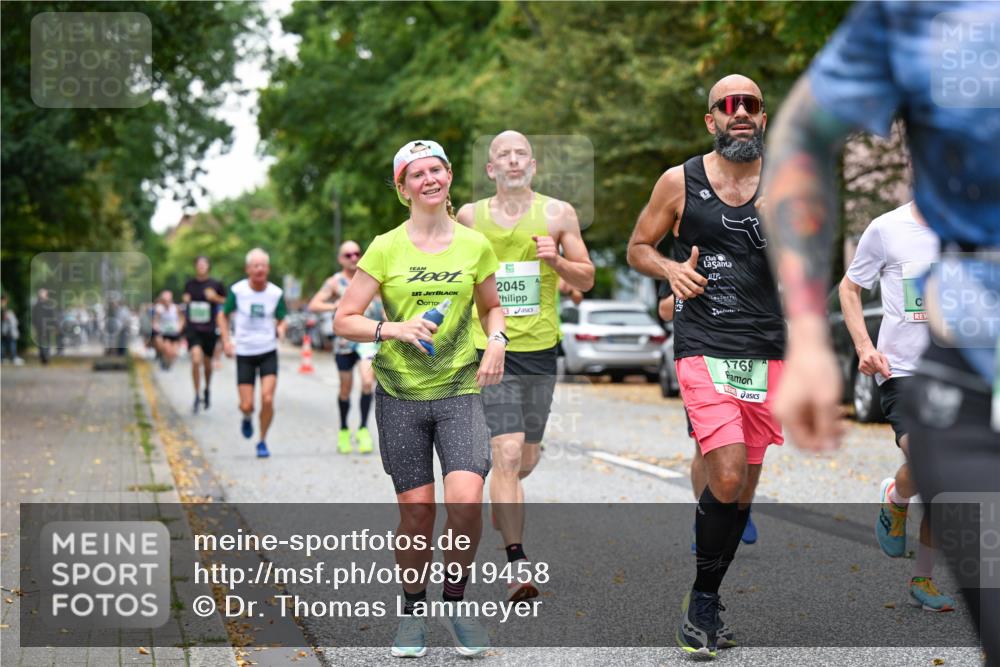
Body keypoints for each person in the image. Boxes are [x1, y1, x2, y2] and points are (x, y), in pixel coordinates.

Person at [761, 3, 999, 663]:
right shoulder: (915, 14)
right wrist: (814, 335)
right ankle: (912, 531)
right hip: (941, 370)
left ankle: (915, 541)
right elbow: (802, 137)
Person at [627, 74, 785, 658]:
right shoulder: (680, 181)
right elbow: (638, 247)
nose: (739, 112)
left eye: (750, 104)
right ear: (711, 119)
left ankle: (709, 591)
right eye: (728, 104)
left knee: (741, 488)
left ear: (762, 117)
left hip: (766, 347)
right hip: (702, 341)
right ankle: (701, 602)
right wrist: (670, 270)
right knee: (726, 475)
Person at [334, 140, 505, 658]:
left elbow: (492, 307)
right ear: (402, 187)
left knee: (466, 503)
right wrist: (392, 328)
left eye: (436, 170)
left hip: (459, 388)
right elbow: (344, 319)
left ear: (448, 176)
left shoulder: (475, 245)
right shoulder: (385, 247)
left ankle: (455, 602)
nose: (428, 179)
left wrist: (497, 339)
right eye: (416, 174)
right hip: (400, 393)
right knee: (417, 515)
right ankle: (412, 612)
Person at [456, 130, 594, 602]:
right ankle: (517, 563)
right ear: (491, 168)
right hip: (489, 347)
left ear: (532, 166)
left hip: (539, 350)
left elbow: (587, 277)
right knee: (508, 453)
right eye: (503, 155)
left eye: (521, 154)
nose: (513, 160)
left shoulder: (559, 214)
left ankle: (506, 488)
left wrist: (557, 261)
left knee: (524, 459)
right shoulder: (469, 217)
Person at [839, 201, 955, 611]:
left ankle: (922, 576)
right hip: (901, 372)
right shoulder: (887, 229)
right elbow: (849, 289)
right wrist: (864, 347)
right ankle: (898, 496)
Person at [657, 287, 758, 553]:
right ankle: (706, 518)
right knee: (705, 446)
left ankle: (740, 505)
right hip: (700, 361)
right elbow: (664, 310)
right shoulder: (683, 263)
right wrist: (687, 288)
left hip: (749, 360)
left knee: (749, 442)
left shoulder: (753, 260)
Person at [309, 241, 385, 454]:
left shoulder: (371, 277)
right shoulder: (335, 282)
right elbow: (314, 304)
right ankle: (343, 429)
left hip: (369, 340)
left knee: (367, 382)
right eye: (348, 255)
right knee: (345, 388)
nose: (353, 258)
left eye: (356, 253)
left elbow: (383, 304)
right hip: (344, 342)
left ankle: (363, 429)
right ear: (340, 259)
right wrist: (336, 305)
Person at [218, 248, 288, 459]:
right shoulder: (238, 291)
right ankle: (247, 416)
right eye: (255, 265)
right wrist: (226, 341)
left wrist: (281, 328)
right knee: (247, 404)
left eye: (263, 265)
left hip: (267, 350)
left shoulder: (275, 293)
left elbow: (282, 318)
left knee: (267, 399)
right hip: (245, 352)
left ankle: (262, 440)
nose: (259, 269)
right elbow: (223, 315)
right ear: (248, 269)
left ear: (268, 269)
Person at [182, 256, 227, 414]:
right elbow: (186, 302)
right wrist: (186, 300)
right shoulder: (189, 284)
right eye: (199, 264)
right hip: (193, 328)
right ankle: (196, 395)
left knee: (207, 364)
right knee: (196, 359)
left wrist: (215, 298)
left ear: (208, 267)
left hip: (209, 329)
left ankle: (207, 389)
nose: (201, 266)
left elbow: (227, 302)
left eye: (204, 264)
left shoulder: (215, 284)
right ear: (195, 266)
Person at [153, 290, 182, 370]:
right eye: (164, 300)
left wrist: (180, 327)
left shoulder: (176, 308)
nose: (166, 302)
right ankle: (165, 362)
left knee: (174, 353)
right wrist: (156, 327)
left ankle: (168, 362)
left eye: (168, 300)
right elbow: (155, 320)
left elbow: (181, 319)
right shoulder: (159, 309)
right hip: (165, 333)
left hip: (175, 333)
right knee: (167, 350)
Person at [31, 288, 58, 365]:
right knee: (43, 342)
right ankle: (44, 356)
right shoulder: (37, 305)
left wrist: (55, 325)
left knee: (45, 342)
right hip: (41, 327)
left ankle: (45, 356)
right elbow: (34, 317)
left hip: (46, 327)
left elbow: (52, 316)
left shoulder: (44, 305)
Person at [1, 294, 24, 365]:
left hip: (6, 328)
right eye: (6, 299)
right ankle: (13, 357)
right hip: (7, 329)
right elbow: (5, 317)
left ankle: (3, 358)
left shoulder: (4, 307)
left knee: (4, 343)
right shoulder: (3, 307)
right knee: (11, 343)